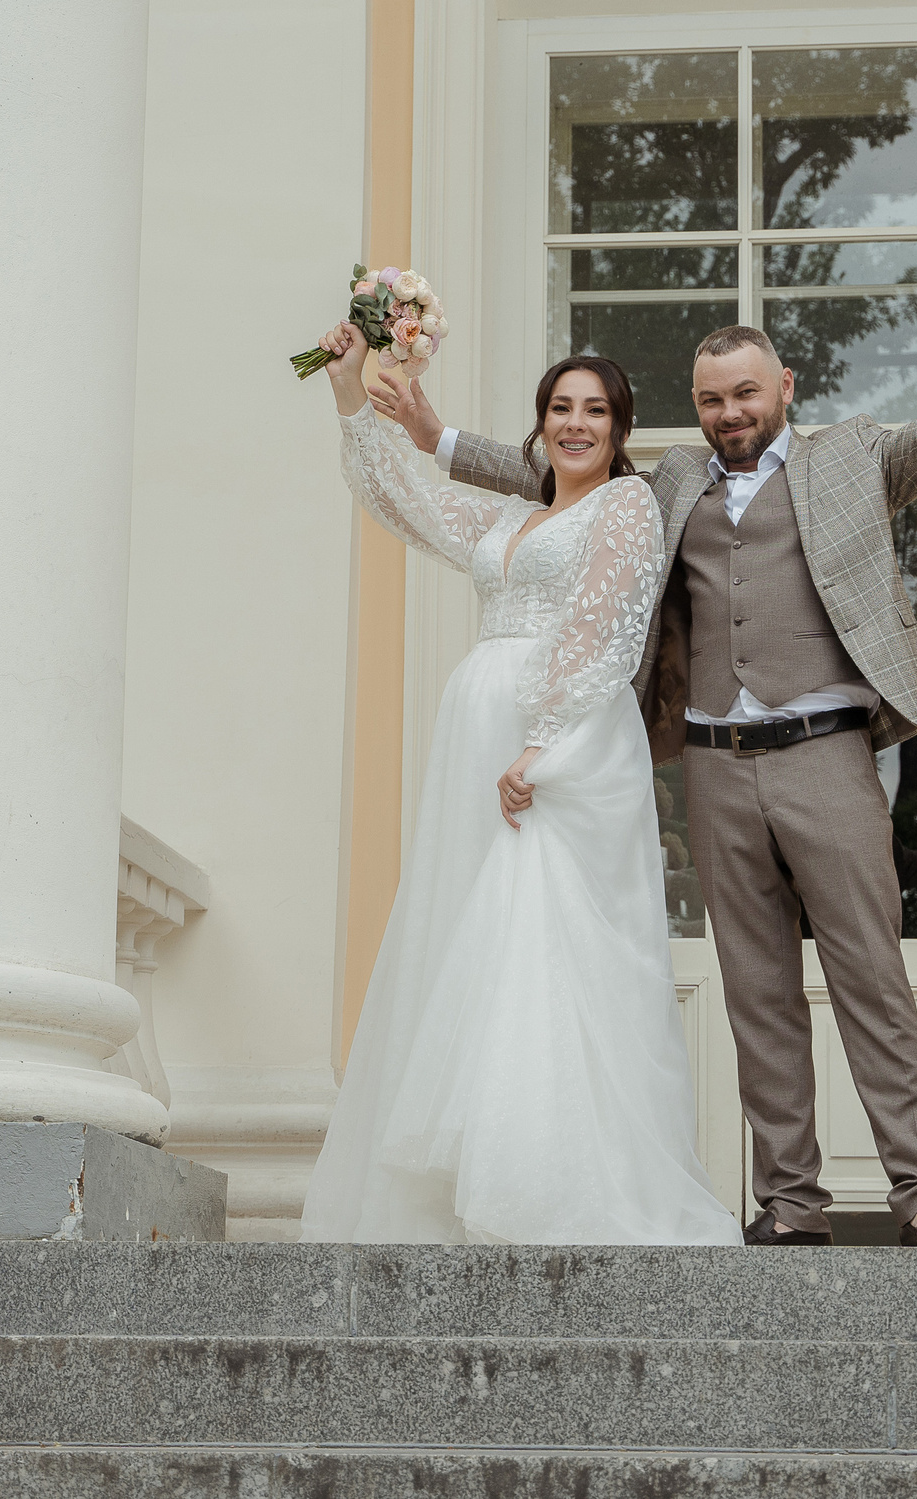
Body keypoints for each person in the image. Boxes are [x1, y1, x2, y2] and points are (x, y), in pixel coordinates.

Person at [376, 318, 917, 1246]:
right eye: (711, 399)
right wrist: (435, 439)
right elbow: (552, 468)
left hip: (824, 752)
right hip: (712, 763)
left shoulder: (852, 459)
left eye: (745, 393)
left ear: (784, 385)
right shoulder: (664, 484)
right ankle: (789, 1205)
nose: (729, 412)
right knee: (757, 990)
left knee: (872, 972)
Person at [298, 320, 741, 1246]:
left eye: (596, 411)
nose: (576, 424)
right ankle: (468, 1180)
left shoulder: (624, 509)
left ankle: (551, 1185)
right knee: (472, 935)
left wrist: (544, 741)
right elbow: (407, 503)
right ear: (538, 427)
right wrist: (350, 392)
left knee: (547, 941)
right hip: (480, 735)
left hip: (562, 745)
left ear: (619, 431)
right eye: (560, 409)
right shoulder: (508, 517)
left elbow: (607, 624)